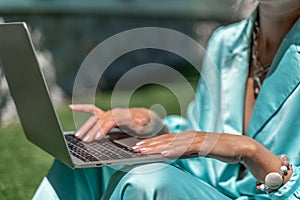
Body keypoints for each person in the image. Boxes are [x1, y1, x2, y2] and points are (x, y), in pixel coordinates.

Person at [33, 0, 300, 199]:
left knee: (148, 182)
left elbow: (230, 146)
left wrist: (250, 151)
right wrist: (156, 127)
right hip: (205, 188)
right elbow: (204, 138)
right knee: (85, 159)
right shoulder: (225, 42)